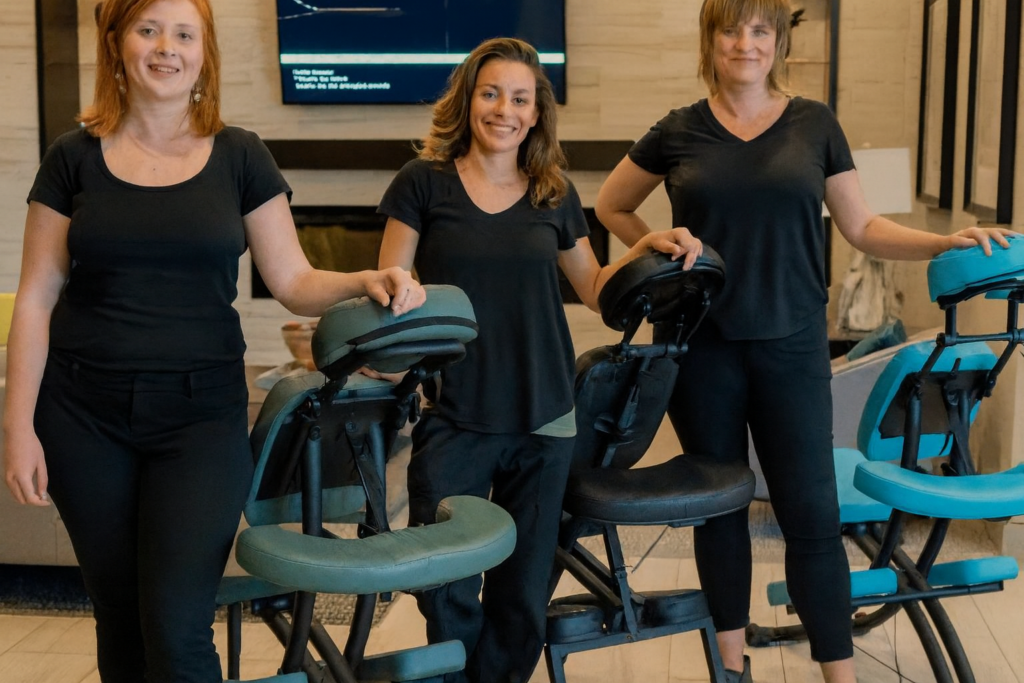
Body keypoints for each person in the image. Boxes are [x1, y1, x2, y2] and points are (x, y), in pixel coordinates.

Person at [1, 1, 424, 681]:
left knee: (176, 626)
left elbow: (293, 280)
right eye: (147, 29)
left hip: (199, 420)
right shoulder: (71, 157)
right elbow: (36, 297)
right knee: (120, 616)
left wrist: (365, 278)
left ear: (204, 53)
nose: (165, 47)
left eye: (183, 33)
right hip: (82, 416)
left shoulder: (240, 155)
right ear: (117, 45)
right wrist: (17, 426)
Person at [593, 1, 1014, 682]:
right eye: (731, 28)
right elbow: (611, 204)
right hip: (700, 347)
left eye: (761, 29)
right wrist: (655, 244)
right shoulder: (678, 129)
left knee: (812, 514)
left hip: (791, 347)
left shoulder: (814, 124)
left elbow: (863, 226)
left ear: (779, 41)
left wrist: (944, 242)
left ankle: (837, 675)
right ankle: (731, 666)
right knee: (719, 508)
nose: (746, 42)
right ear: (710, 40)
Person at [376, 37, 698, 683]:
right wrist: (382, 354)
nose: (505, 110)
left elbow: (594, 288)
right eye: (491, 93)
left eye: (520, 98)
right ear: (467, 100)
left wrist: (646, 247)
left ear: (537, 112)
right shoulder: (422, 183)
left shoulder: (553, 191)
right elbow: (391, 285)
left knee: (523, 590)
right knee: (445, 584)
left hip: (545, 415)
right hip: (455, 413)